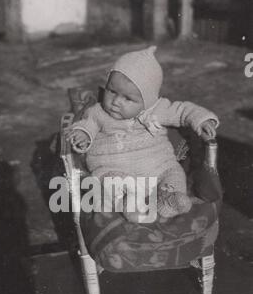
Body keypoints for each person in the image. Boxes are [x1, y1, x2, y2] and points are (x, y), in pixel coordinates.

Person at [66, 46, 219, 222]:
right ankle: (129, 203)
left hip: (158, 168)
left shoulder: (157, 109)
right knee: (111, 182)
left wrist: (201, 120)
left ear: (148, 101)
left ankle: (168, 199)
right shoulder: (98, 112)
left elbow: (182, 111)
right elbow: (88, 123)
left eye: (128, 98)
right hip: (116, 169)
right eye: (111, 91)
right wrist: (83, 135)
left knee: (174, 174)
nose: (115, 102)